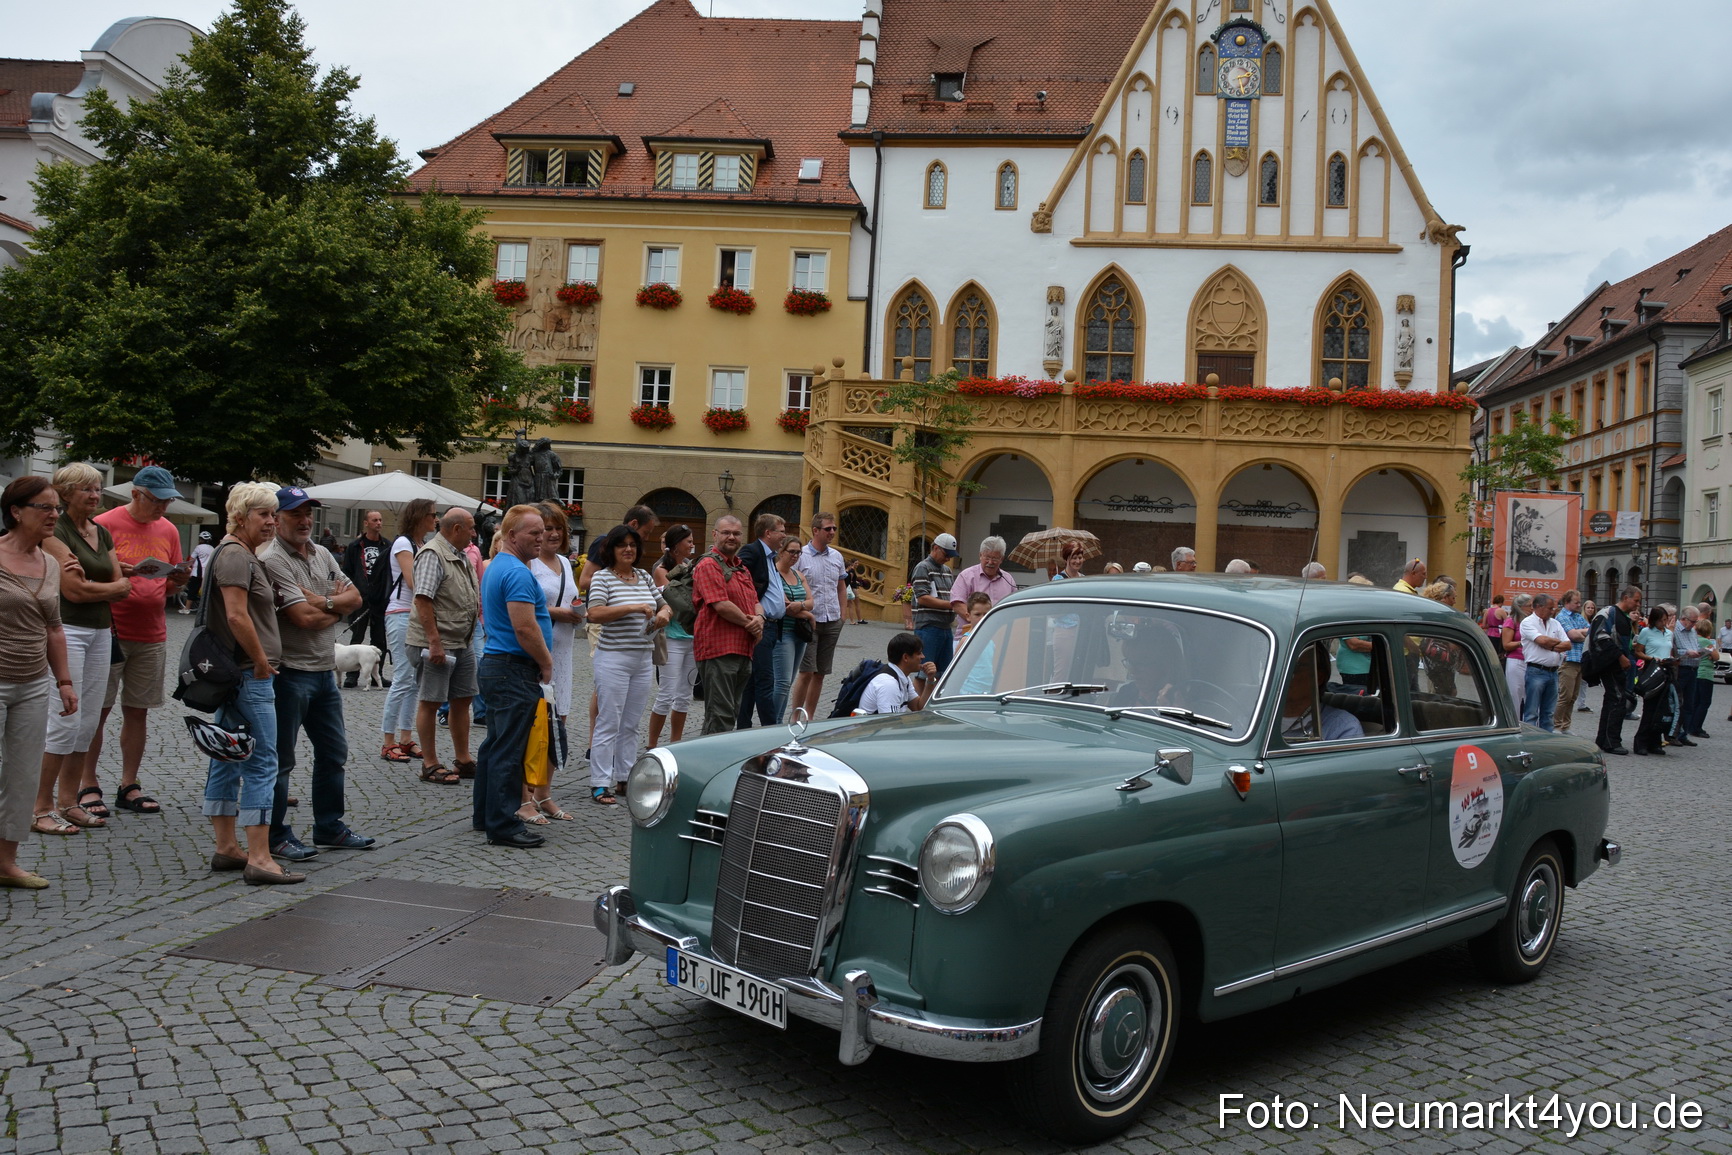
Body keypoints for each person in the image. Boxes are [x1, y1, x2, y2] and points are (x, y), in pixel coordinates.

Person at [257, 486, 372, 861]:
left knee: (333, 752)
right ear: (277, 518)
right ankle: (275, 835)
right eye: (295, 514)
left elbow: (357, 598)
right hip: (290, 672)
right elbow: (302, 618)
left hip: (324, 670)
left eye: (309, 513)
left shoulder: (322, 553)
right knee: (281, 760)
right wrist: (334, 605)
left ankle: (329, 826)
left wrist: (322, 600)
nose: (306, 520)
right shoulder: (272, 559)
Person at [204, 483, 303, 884]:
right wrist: (262, 661)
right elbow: (236, 616)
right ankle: (260, 858)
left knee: (227, 756)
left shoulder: (240, 553)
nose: (272, 521)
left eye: (273, 514)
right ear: (241, 516)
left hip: (240, 671)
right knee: (262, 760)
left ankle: (227, 848)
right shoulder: (234, 555)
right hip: (248, 672)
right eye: (264, 514)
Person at [89, 465, 190, 817]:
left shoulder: (169, 529)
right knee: (96, 712)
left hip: (152, 632)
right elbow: (89, 575)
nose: (162, 508)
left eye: (167, 501)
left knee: (138, 712)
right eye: (157, 500)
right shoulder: (105, 524)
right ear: (136, 494)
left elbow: (171, 587)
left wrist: (180, 579)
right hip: (110, 630)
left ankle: (128, 784)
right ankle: (88, 784)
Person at [37, 464, 128, 832]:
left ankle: (68, 801)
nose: (95, 495)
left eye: (98, 488)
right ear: (65, 492)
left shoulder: (100, 531)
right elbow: (74, 591)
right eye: (87, 489)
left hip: (100, 631)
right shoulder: (54, 530)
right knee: (64, 717)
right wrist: (109, 587)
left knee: (88, 720)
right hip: (67, 628)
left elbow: (117, 579)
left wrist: (99, 585)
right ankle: (41, 806)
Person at [0, 477, 81, 888]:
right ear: (16, 511)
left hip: (32, 682)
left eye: (56, 509)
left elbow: (54, 628)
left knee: (22, 774)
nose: (54, 515)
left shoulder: (50, 564)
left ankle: (6, 863)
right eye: (45, 507)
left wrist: (64, 682)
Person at [474, 505, 555, 848]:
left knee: (495, 744)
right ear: (511, 536)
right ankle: (504, 824)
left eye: (543, 531)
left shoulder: (499, 567)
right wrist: (547, 663)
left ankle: (486, 815)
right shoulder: (518, 573)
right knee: (509, 748)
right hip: (512, 668)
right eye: (533, 533)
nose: (542, 538)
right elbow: (524, 627)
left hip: (498, 665)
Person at [586, 525, 670, 802]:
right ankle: (599, 782)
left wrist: (665, 614)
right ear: (611, 549)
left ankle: (624, 777)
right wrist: (633, 608)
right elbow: (594, 613)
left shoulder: (644, 576)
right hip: (613, 658)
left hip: (642, 659)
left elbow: (663, 605)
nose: (628, 549)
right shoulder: (602, 578)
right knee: (609, 720)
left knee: (631, 723)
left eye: (633, 545)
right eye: (622, 545)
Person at [407, 508, 480, 785]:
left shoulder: (459, 554)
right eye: (471, 528)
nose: (474, 534)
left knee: (463, 699)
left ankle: (463, 759)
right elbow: (423, 599)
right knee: (431, 700)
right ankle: (430, 763)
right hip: (437, 643)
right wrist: (434, 642)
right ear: (456, 529)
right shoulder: (432, 554)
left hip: (461, 640)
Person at [524, 503, 581, 822]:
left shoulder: (564, 562)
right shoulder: (529, 565)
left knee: (557, 724)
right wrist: (559, 613)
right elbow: (524, 608)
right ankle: (525, 795)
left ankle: (544, 792)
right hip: (538, 652)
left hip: (564, 652)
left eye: (559, 527)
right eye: (547, 527)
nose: (554, 533)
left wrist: (577, 609)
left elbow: (567, 600)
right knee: (534, 726)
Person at [693, 515, 763, 735]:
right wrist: (750, 624)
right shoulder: (708, 564)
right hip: (718, 649)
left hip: (743, 649)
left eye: (736, 533)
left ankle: (711, 760)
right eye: (726, 532)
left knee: (730, 712)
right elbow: (720, 604)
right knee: (719, 715)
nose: (731, 537)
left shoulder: (741, 567)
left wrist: (760, 619)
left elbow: (756, 601)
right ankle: (709, 765)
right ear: (715, 535)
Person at [379, 499, 436, 765]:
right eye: (432, 515)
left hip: (412, 616)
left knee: (414, 680)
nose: (435, 520)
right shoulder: (403, 544)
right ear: (420, 517)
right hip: (401, 614)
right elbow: (413, 581)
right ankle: (388, 741)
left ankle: (405, 737)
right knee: (402, 677)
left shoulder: (422, 545)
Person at [791, 512, 848, 722]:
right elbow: (791, 582)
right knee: (806, 671)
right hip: (808, 621)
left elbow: (841, 586)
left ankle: (810, 718)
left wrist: (843, 613)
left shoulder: (836, 556)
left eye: (834, 528)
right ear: (815, 530)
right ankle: (795, 717)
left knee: (820, 673)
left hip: (832, 619)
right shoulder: (801, 555)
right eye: (828, 529)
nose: (832, 532)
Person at [734, 513, 788, 728]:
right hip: (761, 626)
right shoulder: (752, 551)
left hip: (773, 627)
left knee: (752, 682)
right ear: (768, 533)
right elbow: (738, 578)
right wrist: (754, 609)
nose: (785, 535)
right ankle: (770, 730)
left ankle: (743, 728)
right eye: (781, 531)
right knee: (765, 682)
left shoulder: (771, 557)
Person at [647, 526, 697, 747]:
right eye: (688, 541)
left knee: (684, 695)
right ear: (676, 545)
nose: (692, 545)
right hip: (672, 638)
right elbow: (677, 600)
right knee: (666, 694)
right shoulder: (661, 568)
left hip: (691, 638)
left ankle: (676, 743)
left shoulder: (689, 566)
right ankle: (652, 744)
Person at [341, 510, 391, 683]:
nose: (378, 523)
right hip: (360, 597)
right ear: (366, 523)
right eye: (374, 520)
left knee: (379, 638)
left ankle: (378, 675)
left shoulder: (387, 546)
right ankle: (351, 675)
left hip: (379, 599)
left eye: (380, 520)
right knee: (357, 636)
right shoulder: (355, 546)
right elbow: (346, 572)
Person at [1280, 644, 1363, 742]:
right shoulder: (1259, 715)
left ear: (1318, 677)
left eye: (1296, 667)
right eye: (1279, 666)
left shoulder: (1343, 726)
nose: (1284, 674)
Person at [949, 536, 1017, 645]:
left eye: (995, 558)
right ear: (980, 555)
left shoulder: (1008, 579)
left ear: (1001, 559)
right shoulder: (967, 576)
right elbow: (957, 604)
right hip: (968, 638)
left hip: (999, 639)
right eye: (987, 557)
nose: (990, 562)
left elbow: (1014, 608)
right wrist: (981, 621)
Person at [773, 537, 814, 722]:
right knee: (781, 683)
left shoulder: (798, 575)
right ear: (781, 552)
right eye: (792, 552)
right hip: (783, 633)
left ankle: (778, 722)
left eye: (799, 552)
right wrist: (808, 615)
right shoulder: (774, 574)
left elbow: (811, 602)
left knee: (788, 682)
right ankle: (773, 722)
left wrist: (802, 607)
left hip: (799, 634)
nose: (796, 556)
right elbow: (784, 606)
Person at [909, 533, 959, 678]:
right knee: (925, 672)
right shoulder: (922, 567)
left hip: (945, 628)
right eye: (946, 554)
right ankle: (921, 701)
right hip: (928, 627)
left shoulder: (947, 571)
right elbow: (922, 598)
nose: (948, 558)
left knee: (943, 674)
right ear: (936, 548)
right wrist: (952, 605)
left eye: (951, 555)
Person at [1519, 594, 1570, 731]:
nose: (1552, 611)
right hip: (1536, 671)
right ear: (1538, 607)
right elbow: (1542, 641)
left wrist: (1550, 645)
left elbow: (1568, 644)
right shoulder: (1528, 622)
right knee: (1531, 712)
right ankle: (1529, 739)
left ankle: (1545, 740)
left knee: (1548, 713)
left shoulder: (1555, 623)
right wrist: (1553, 645)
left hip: (1553, 672)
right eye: (1549, 608)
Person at [1631, 605, 1676, 756]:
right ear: (1654, 620)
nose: (1664, 623)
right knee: (1650, 708)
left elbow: (1668, 649)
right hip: (1653, 670)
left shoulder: (1669, 633)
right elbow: (1638, 652)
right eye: (1662, 620)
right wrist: (1652, 658)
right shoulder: (1646, 632)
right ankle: (1641, 742)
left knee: (1661, 709)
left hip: (1666, 671)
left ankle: (1655, 742)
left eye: (1666, 620)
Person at [857, 632, 938, 714]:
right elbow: (889, 723)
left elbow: (918, 707)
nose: (923, 657)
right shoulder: (889, 684)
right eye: (919, 653)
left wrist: (930, 680)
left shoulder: (903, 677)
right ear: (906, 657)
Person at [1551, 589, 1591, 733]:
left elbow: (1591, 631)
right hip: (1568, 660)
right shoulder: (1562, 617)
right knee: (1565, 696)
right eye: (1576, 602)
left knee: (1573, 696)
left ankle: (1566, 725)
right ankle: (1556, 725)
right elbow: (1573, 635)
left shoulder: (1578, 616)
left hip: (1579, 659)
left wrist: (1580, 633)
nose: (1579, 605)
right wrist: (1581, 633)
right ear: (1567, 602)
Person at [1667, 607, 1704, 748]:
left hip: (1693, 669)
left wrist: (1700, 652)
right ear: (1684, 619)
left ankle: (1684, 734)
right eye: (1693, 621)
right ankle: (1673, 734)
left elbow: (1695, 645)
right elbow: (1673, 650)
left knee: (1690, 704)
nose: (1694, 625)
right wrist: (1687, 652)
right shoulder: (1674, 630)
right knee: (1678, 704)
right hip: (1681, 670)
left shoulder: (1693, 631)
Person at [1501, 593, 1532, 719]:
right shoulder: (1511, 621)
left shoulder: (1531, 621)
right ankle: (1514, 721)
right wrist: (1522, 642)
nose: (1532, 608)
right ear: (1520, 607)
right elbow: (1506, 644)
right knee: (1515, 695)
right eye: (1529, 606)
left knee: (1529, 695)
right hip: (1516, 661)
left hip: (1530, 660)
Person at [1687, 617, 1719, 739]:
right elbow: (1716, 656)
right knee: (1704, 702)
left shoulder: (1694, 639)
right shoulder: (1707, 642)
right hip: (1706, 673)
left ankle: (1690, 725)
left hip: (1696, 672)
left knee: (1695, 701)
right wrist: (1712, 655)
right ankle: (1697, 727)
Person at [185, 529, 215, 613]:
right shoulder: (212, 548)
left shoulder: (198, 547)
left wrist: (186, 567)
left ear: (201, 539)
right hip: (208, 573)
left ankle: (187, 608)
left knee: (192, 590)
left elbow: (191, 559)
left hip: (197, 573)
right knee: (206, 592)